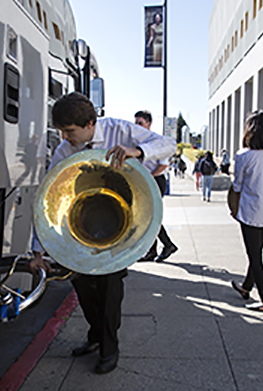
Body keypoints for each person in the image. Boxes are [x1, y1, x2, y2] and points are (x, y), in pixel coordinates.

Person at [30, 92, 175, 374]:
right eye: (61, 130)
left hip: (119, 226)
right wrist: (38, 249)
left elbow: (168, 144)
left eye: (70, 131)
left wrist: (139, 151)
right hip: (84, 226)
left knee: (110, 290)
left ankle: (110, 347)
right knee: (82, 286)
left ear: (91, 123)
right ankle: (96, 335)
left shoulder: (119, 129)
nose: (65, 137)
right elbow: (46, 200)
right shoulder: (63, 150)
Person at [229, 110, 263, 313]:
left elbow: (237, 185)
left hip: (250, 211)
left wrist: (233, 206)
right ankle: (246, 287)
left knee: (255, 256)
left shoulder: (244, 155)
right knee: (257, 252)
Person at [135, 110, 178, 262]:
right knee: (146, 217)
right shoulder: (135, 141)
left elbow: (163, 165)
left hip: (156, 180)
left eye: (140, 123)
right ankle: (152, 251)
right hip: (143, 181)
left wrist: (148, 177)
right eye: (136, 123)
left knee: (150, 217)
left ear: (149, 124)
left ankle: (168, 245)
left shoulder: (158, 142)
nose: (137, 126)